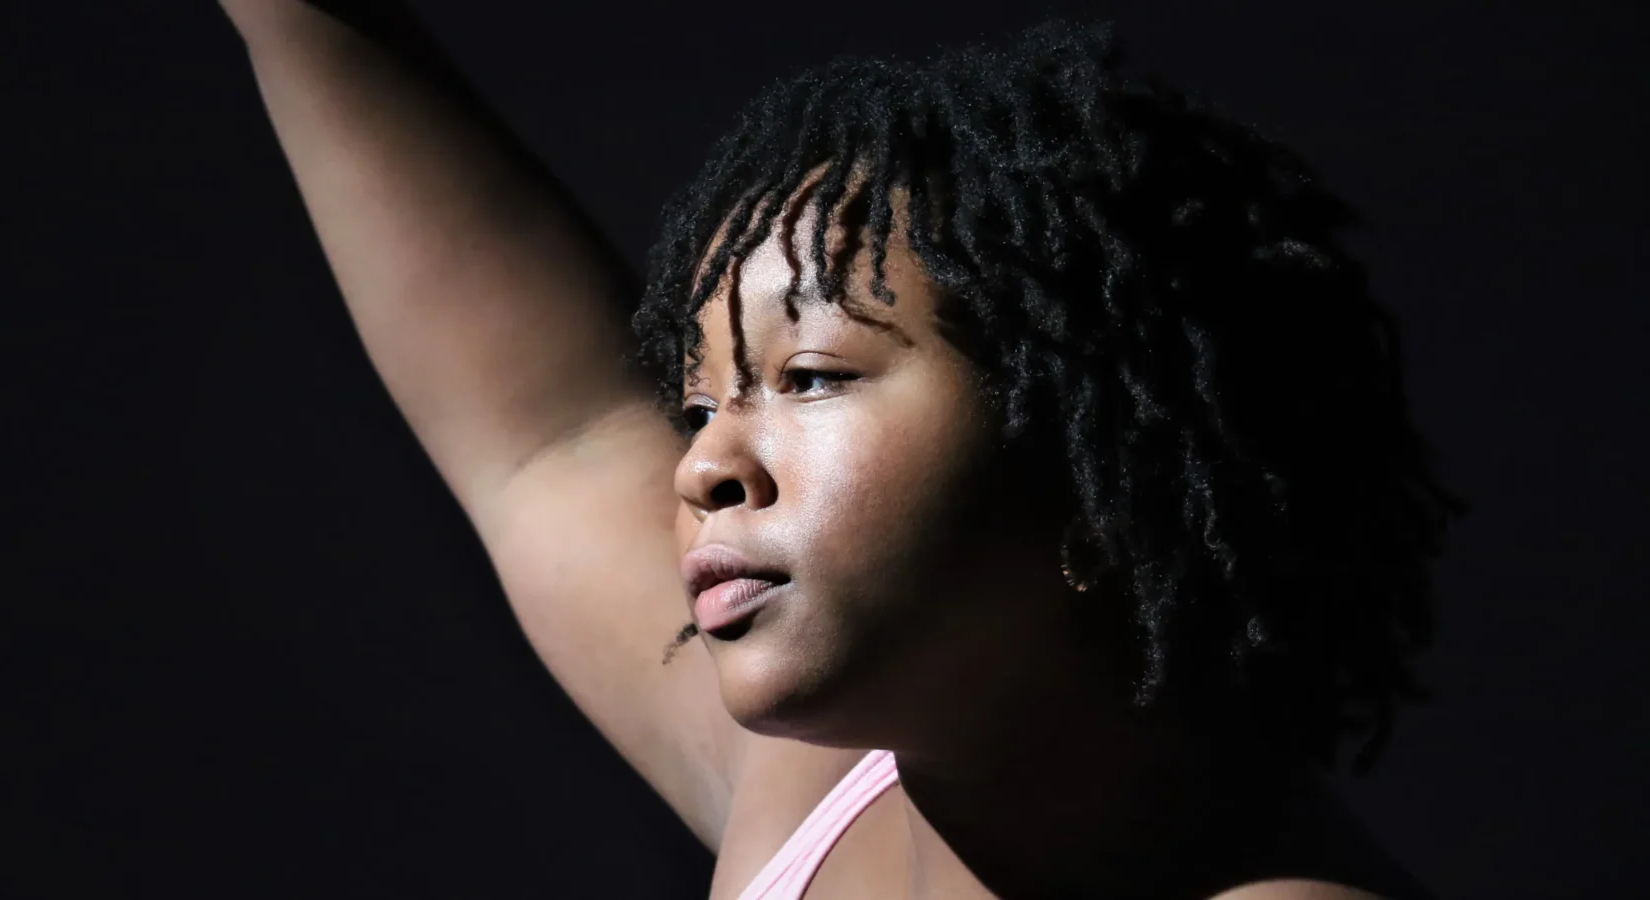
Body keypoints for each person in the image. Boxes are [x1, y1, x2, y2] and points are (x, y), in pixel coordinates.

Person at [215, 2, 1464, 897]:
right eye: (702, 403)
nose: (702, 466)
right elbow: (551, 433)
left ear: (1098, 469)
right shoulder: (806, 796)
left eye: (807, 376)